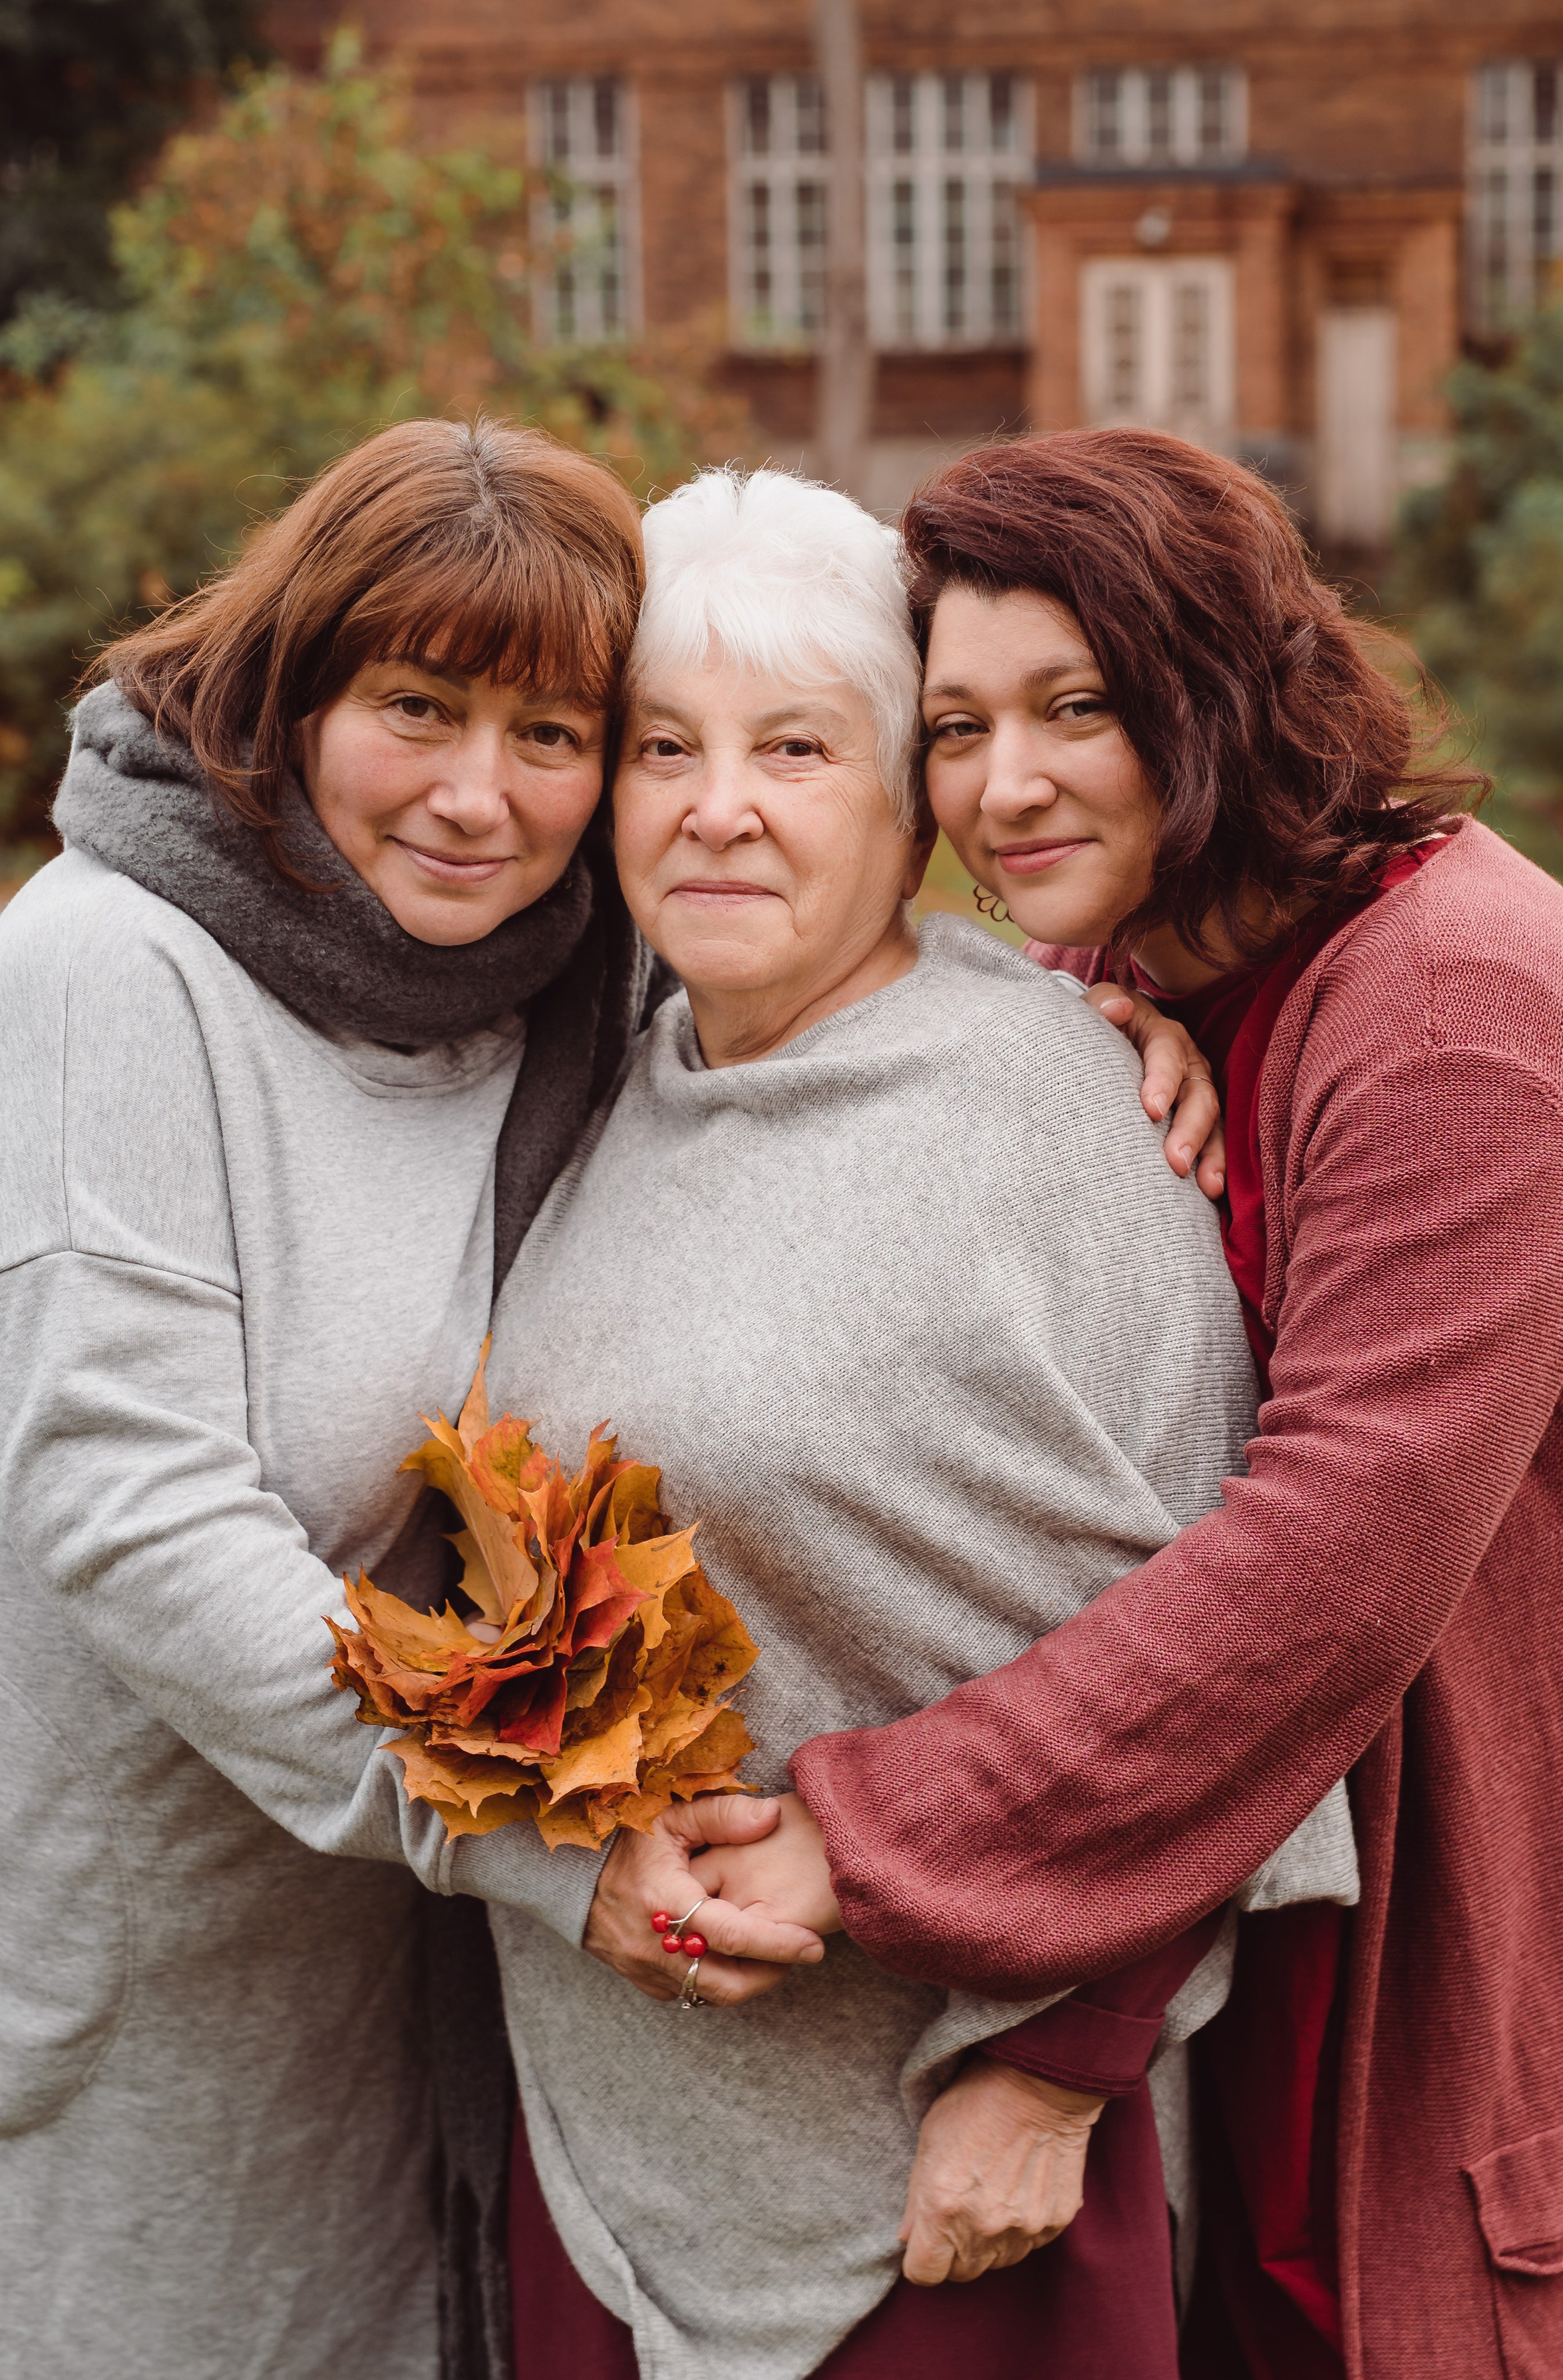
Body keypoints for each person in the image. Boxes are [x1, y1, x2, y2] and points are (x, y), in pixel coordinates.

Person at [683, 429, 1563, 2377]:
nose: (1004, 784)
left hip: (1484, 1971)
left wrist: (869, 1836)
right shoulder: (1148, 957)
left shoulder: (1461, 1012)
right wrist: (1087, 1050)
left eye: (1078, 708)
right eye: (959, 727)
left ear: (1224, 692)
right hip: (1270, 1921)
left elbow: (1324, 1566)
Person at [483, 467, 1358, 2380]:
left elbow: (1234, 1650)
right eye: (662, 747)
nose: (716, 805)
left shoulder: (1064, 1125)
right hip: (612, 2136)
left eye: (797, 748)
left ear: (907, 804)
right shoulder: (612, 1080)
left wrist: (1062, 2067)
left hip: (958, 2169)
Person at [0, 415, 663, 2380]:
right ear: (292, 695)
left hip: (416, 1982)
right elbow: (134, 1504)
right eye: (417, 707)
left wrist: (1098, 1032)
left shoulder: (575, 982)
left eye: (551, 734)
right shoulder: (106, 967)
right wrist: (539, 1836)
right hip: (141, 1988)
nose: (478, 795)